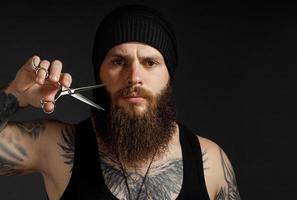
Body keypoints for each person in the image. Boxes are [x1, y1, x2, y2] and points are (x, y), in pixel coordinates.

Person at [0, 4, 241, 200]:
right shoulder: (57, 147)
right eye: (118, 62)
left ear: (169, 75)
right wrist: (15, 95)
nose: (134, 77)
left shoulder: (210, 161)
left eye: (150, 62)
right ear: (100, 74)